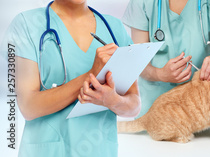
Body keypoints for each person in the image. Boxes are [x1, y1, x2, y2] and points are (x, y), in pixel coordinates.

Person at [3, 0, 140, 156]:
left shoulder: (114, 28)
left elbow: (134, 104)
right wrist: (90, 76)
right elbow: (28, 107)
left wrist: (112, 100)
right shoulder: (26, 25)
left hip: (99, 150)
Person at [122, 0, 210, 118]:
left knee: (205, 138)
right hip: (156, 113)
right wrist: (160, 74)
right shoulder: (141, 2)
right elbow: (138, 64)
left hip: (202, 108)